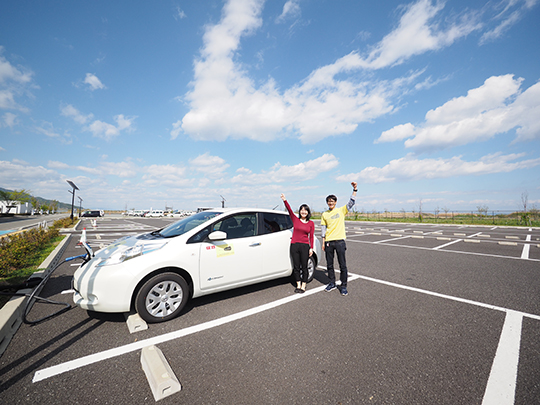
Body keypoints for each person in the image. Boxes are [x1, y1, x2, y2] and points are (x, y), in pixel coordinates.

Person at [321, 181, 357, 296]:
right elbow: (323, 229)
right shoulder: (324, 214)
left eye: (332, 201)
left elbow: (351, 203)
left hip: (340, 241)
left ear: (335, 202)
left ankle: (344, 285)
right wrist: (323, 242)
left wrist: (355, 190)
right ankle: (331, 282)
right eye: (329, 201)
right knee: (329, 264)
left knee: (342, 265)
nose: (330, 203)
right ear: (327, 203)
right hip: (328, 242)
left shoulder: (341, 210)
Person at [281, 194, 315, 293]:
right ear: (300, 211)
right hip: (294, 245)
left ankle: (304, 285)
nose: (303, 211)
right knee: (296, 266)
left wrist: (311, 248)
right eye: (301, 210)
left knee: (304, 266)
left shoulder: (311, 223)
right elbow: (289, 210)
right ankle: (298, 285)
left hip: (305, 246)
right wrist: (285, 200)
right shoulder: (295, 220)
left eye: (305, 210)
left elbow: (311, 236)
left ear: (308, 212)